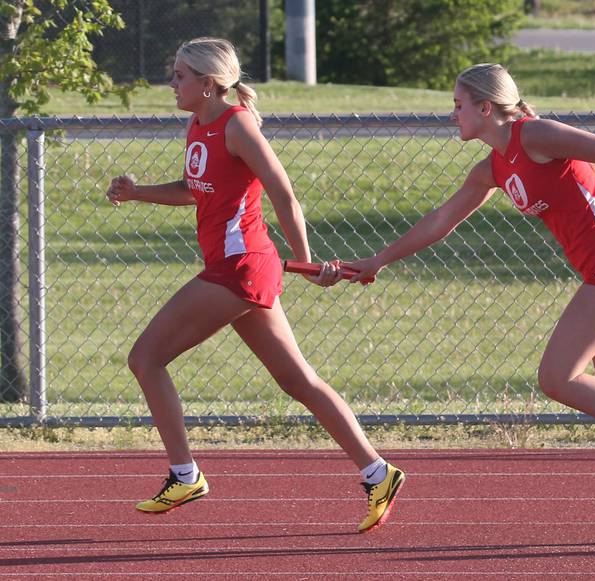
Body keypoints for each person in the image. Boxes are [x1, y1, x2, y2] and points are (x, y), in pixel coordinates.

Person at [346, 63, 595, 540]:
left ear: (485, 108)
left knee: (557, 377)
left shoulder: (533, 135)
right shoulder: (493, 167)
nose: (452, 116)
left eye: (458, 106)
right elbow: (440, 220)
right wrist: (379, 260)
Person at [105, 37, 404, 533]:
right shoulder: (198, 123)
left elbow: (283, 192)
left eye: (180, 75)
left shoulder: (237, 123)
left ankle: (185, 474)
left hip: (240, 268)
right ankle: (378, 472)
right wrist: (139, 194)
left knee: (146, 358)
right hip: (240, 267)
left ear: (208, 83)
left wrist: (307, 262)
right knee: (297, 380)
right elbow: (193, 190)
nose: (171, 82)